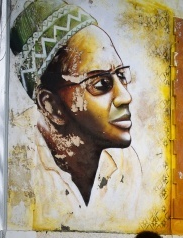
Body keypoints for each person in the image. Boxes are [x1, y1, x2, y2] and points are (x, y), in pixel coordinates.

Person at [10, 0, 139, 206]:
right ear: (51, 106)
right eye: (102, 83)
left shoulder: (128, 169)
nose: (125, 97)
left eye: (121, 76)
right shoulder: (20, 167)